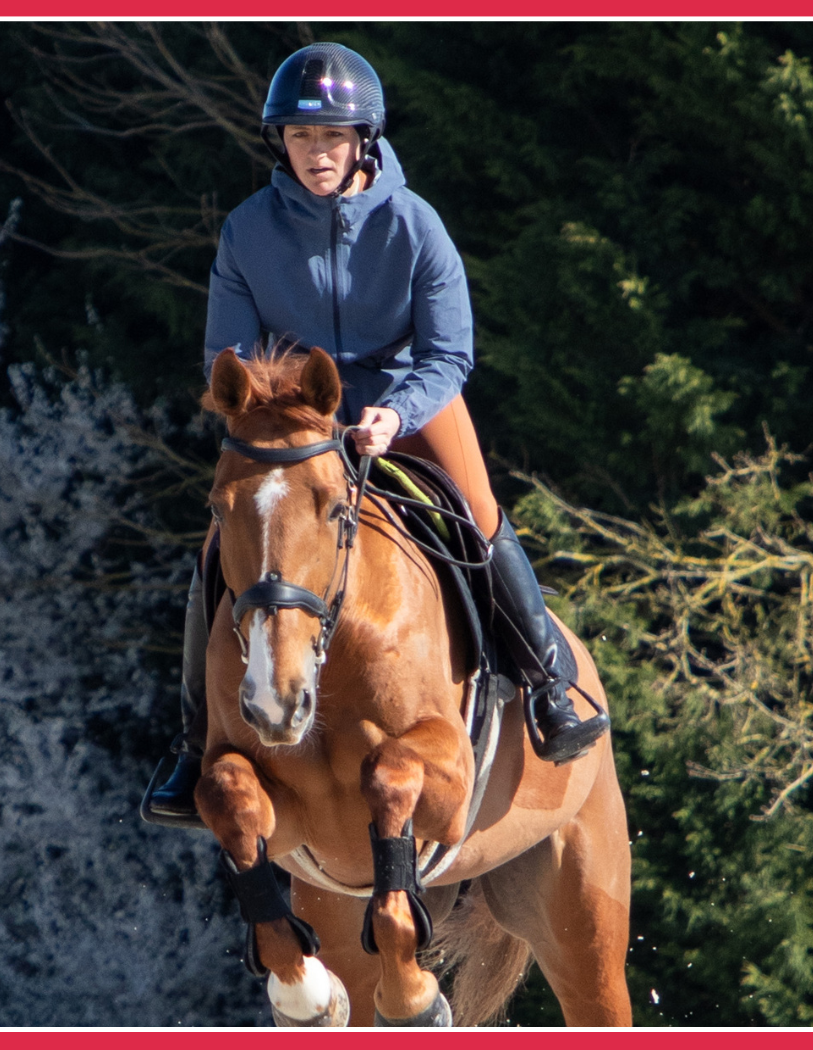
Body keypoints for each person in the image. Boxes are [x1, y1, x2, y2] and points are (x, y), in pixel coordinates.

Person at [143, 43, 609, 828]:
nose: (315, 154)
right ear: (278, 144)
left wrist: (396, 412)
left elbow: (451, 352)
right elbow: (226, 355)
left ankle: (547, 686)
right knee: (216, 554)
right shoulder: (245, 232)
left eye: (331, 139)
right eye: (299, 138)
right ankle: (195, 743)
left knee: (478, 517)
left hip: (410, 404)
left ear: (363, 141)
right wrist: (284, 409)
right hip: (298, 422)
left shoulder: (415, 224)